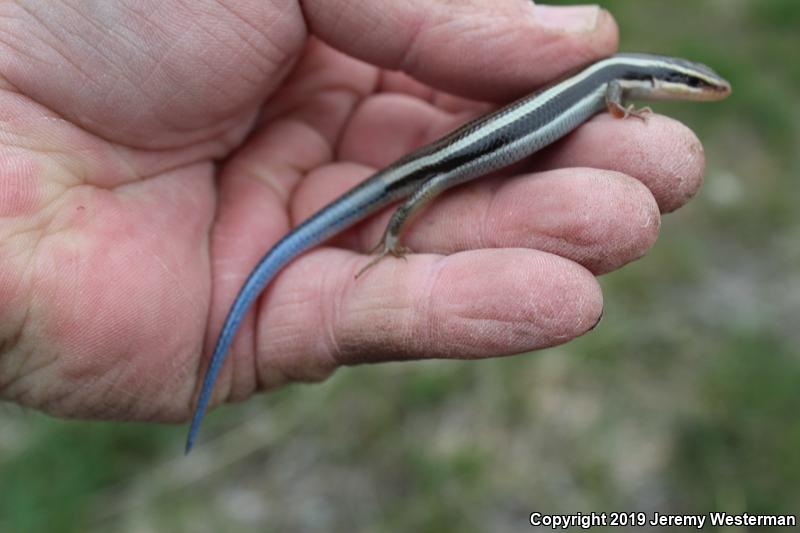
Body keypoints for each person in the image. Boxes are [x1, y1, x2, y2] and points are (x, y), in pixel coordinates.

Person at [0, 2, 707, 423]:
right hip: (433, 166)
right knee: (429, 187)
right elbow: (612, 102)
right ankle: (394, 232)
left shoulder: (609, 85)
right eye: (689, 83)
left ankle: (388, 229)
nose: (696, 89)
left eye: (693, 83)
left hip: (438, 153)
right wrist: (396, 228)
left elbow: (611, 102)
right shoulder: (612, 85)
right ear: (658, 79)